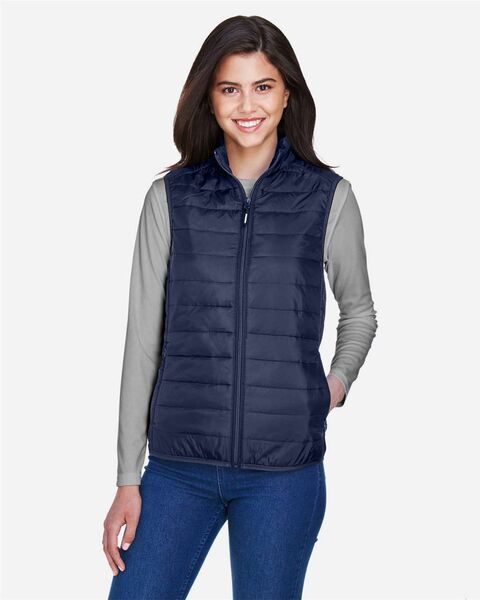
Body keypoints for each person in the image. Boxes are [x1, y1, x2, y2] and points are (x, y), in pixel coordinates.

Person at [103, 15, 378, 600]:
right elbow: (142, 340)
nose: (247, 105)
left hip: (284, 475)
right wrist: (128, 476)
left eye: (263, 86)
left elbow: (359, 310)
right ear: (209, 96)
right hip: (178, 468)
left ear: (287, 95)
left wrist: (334, 385)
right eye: (230, 88)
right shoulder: (169, 199)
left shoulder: (328, 197)